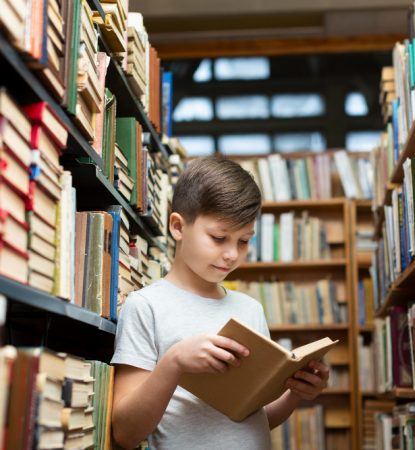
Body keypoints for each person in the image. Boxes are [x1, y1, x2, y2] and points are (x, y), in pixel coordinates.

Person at [111, 156, 330, 450]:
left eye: (243, 241)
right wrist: (174, 362)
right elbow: (125, 433)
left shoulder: (250, 309)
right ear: (178, 226)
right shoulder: (145, 306)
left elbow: (254, 417)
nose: (231, 254)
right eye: (219, 237)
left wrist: (295, 393)